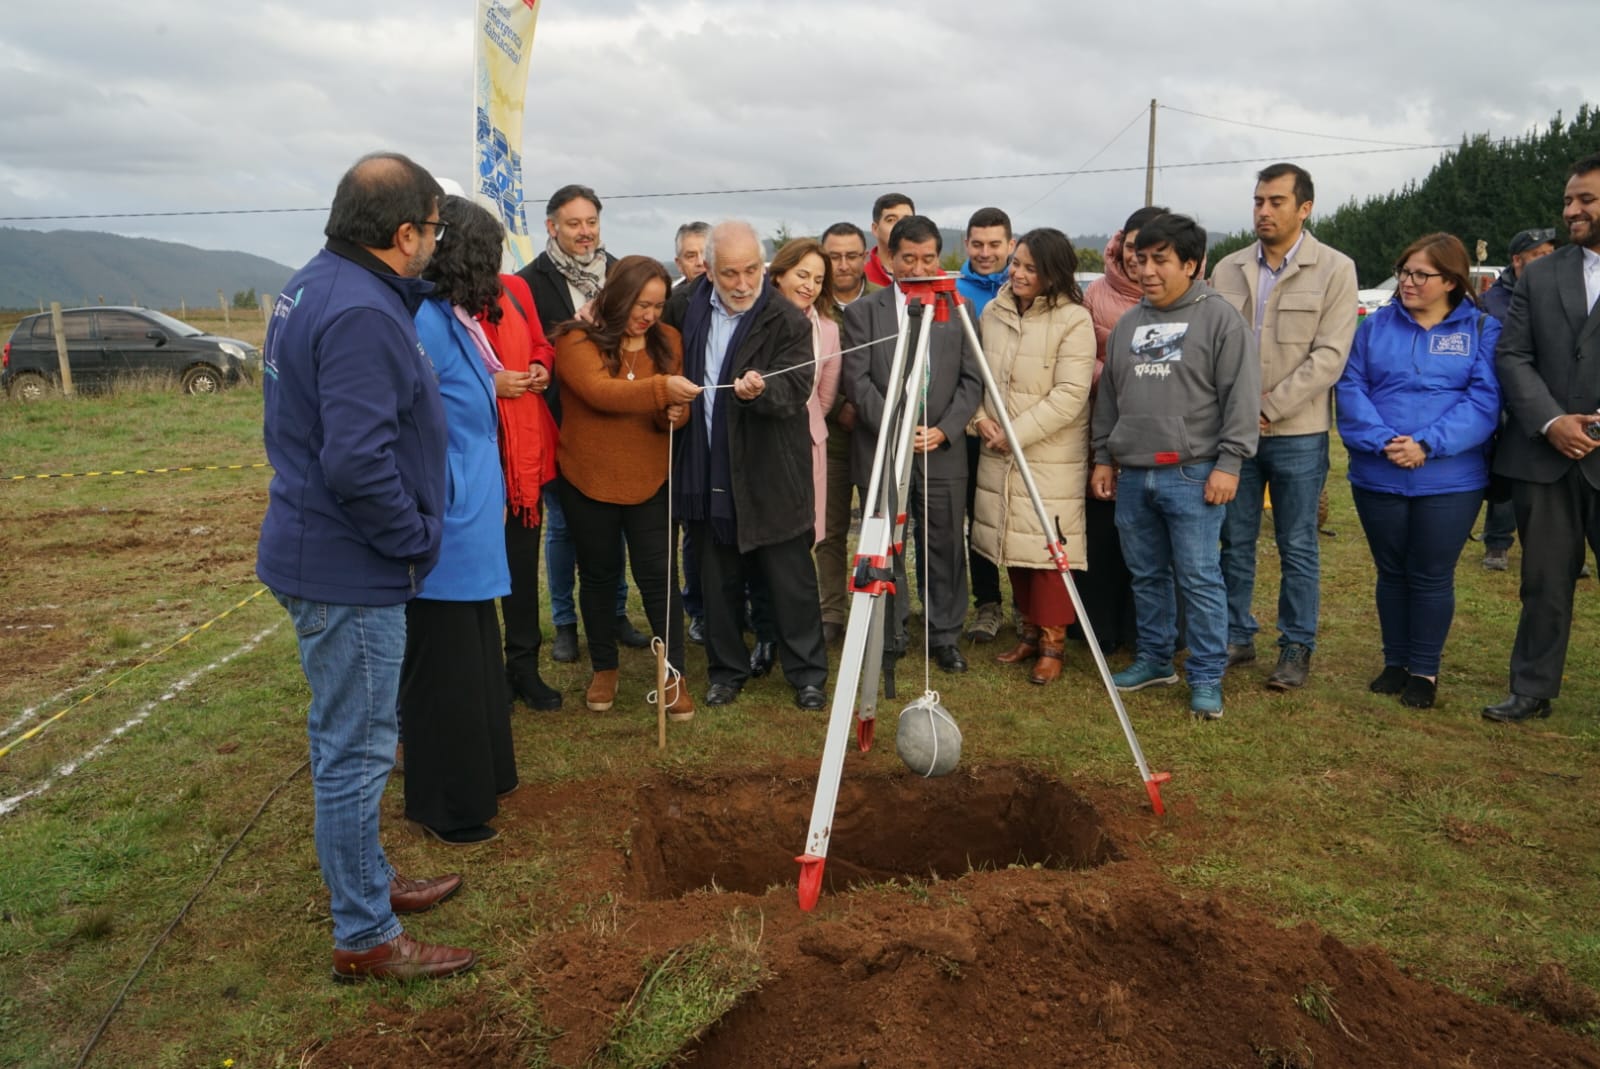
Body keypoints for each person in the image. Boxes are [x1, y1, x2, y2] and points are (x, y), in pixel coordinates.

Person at [257, 152, 474, 982]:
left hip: (327, 553)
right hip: (346, 569)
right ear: (402, 233)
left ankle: (370, 882)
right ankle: (366, 935)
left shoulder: (323, 283)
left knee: (349, 741)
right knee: (356, 751)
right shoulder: (360, 313)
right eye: (433, 227)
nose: (436, 242)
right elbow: (355, 462)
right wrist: (415, 535)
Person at [1090, 213, 1260, 720]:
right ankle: (1156, 659)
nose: (1146, 270)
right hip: (1134, 472)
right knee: (1146, 575)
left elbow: (1241, 398)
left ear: (1191, 263)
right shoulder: (1128, 324)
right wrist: (1104, 456)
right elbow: (1110, 399)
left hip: (1194, 473)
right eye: (1140, 259)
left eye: (1160, 260)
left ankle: (1206, 675)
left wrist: (1229, 463)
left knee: (1199, 577)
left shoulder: (1220, 319)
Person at [667, 221, 830, 709]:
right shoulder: (688, 304)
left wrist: (764, 392)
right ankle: (725, 670)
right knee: (716, 577)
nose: (742, 284)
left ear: (765, 266)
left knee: (790, 579)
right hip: (706, 465)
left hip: (771, 470)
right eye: (730, 273)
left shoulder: (787, 319)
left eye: (752, 271)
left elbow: (796, 388)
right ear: (709, 269)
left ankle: (807, 674)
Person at [1210, 163, 1359, 691]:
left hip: (1298, 432)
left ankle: (1296, 645)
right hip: (1233, 432)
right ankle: (1234, 634)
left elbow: (1331, 356)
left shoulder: (1336, 269)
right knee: (1234, 539)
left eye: (1275, 201)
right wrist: (1235, 412)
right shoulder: (1226, 269)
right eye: (1258, 201)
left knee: (1297, 544)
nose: (1264, 211)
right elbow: (1211, 349)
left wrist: (1269, 407)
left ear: (1305, 208)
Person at [1336, 234, 1501, 709]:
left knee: (1430, 574)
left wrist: (1428, 444)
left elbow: (1484, 398)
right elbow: (1351, 386)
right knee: (1391, 571)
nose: (1407, 282)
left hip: (1449, 478)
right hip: (1379, 471)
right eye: (1404, 272)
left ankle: (1424, 670)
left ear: (1450, 281)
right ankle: (1395, 661)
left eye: (1420, 275)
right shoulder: (1373, 328)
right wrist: (1384, 441)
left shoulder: (1481, 330)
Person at [403, 195, 521, 844]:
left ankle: (486, 775)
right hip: (446, 521)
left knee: (476, 658)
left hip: (472, 516)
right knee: (445, 669)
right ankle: (447, 804)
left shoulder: (455, 319)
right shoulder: (424, 321)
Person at [552, 256, 699, 719]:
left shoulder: (669, 342)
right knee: (598, 575)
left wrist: (676, 412)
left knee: (659, 579)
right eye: (641, 304)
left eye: (658, 305)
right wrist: (663, 392)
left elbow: (668, 411)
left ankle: (673, 674)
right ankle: (604, 667)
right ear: (617, 296)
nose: (649, 315)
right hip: (587, 478)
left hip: (651, 477)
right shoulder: (576, 340)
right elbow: (600, 392)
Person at [1483, 153, 1600, 724]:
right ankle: (1531, 687)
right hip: (1545, 455)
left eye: (1586, 200)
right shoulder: (1542, 274)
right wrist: (1553, 421)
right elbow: (1512, 355)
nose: (1571, 211)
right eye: (1568, 199)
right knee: (1544, 582)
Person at [843, 214, 985, 673]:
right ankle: (892, 629)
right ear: (889, 258)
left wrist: (945, 428)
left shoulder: (958, 308)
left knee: (943, 542)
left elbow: (972, 378)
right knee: (889, 542)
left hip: (941, 448)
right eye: (909, 258)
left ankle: (943, 635)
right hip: (884, 448)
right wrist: (897, 425)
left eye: (929, 258)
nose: (920, 267)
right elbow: (857, 379)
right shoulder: (865, 312)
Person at [515, 183, 650, 663]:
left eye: (591, 222)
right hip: (558, 420)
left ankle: (612, 614)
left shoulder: (621, 274)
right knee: (563, 529)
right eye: (574, 224)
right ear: (551, 227)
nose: (585, 232)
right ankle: (566, 622)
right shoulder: (529, 281)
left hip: (614, 421)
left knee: (609, 527)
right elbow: (529, 344)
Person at [971, 228, 1096, 684]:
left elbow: (1070, 394)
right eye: (1016, 264)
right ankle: (1027, 632)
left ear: (1052, 273)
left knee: (1048, 546)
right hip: (999, 448)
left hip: (1047, 453)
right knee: (1012, 542)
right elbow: (979, 374)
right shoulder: (994, 311)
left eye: (1030, 267)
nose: (1018, 273)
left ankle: (1053, 642)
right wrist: (981, 418)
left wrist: (1015, 432)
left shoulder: (1073, 320)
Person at [1078, 206, 1167, 654]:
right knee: (1104, 531)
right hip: (1101, 424)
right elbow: (1081, 352)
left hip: (1158, 435)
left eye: (1151, 251)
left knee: (1152, 538)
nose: (1138, 259)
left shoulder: (1184, 299)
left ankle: (1145, 631)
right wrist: (1114, 374)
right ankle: (1100, 627)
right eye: (1133, 247)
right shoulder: (1096, 292)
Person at [484, 247, 561, 715]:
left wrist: (539, 366)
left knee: (520, 563)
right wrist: (490, 384)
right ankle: (487, 672)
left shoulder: (515, 289)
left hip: (524, 459)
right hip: (476, 455)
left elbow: (540, 342)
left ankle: (524, 665)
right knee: (475, 572)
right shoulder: (437, 302)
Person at [1477, 227, 1558, 571]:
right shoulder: (1494, 301)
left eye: (1551, 254)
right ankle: (1497, 542)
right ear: (1517, 260)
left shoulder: (1560, 291)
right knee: (1507, 473)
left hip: (1554, 396)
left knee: (1557, 477)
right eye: (1539, 255)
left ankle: (1560, 547)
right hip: (1508, 399)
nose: (1547, 261)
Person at [955, 207, 1016, 643]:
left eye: (995, 244)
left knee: (1019, 514)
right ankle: (988, 604)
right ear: (966, 245)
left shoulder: (1026, 285)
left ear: (1011, 245)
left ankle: (1031, 609)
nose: (986, 252)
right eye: (977, 244)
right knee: (978, 518)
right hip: (971, 425)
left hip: (1022, 423)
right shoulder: (953, 290)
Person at [816, 221, 879, 642]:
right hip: (831, 435)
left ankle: (876, 609)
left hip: (876, 432)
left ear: (866, 255)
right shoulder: (812, 305)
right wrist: (839, 407)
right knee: (830, 529)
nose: (842, 264)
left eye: (851, 255)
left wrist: (869, 406)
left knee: (878, 529)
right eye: (834, 256)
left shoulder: (883, 303)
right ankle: (830, 613)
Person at [671, 221, 713, 644]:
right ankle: (697, 606)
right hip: (685, 424)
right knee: (692, 525)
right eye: (690, 255)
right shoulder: (675, 302)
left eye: (706, 254)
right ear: (679, 261)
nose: (699, 263)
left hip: (725, 420)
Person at [864, 192, 915, 288]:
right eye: (891, 220)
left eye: (907, 220)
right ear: (875, 229)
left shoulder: (933, 276)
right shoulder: (861, 278)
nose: (900, 226)